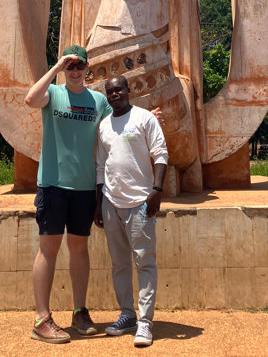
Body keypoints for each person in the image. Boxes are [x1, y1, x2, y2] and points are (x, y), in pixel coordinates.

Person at [26, 45, 162, 344]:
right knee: (48, 249)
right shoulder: (54, 93)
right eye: (70, 64)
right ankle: (41, 318)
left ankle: (79, 311)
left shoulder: (98, 100)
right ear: (64, 66)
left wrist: (145, 119)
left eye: (79, 65)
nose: (75, 70)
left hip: (85, 187)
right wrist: (55, 68)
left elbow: (118, 119)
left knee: (79, 249)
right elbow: (30, 99)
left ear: (87, 68)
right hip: (53, 183)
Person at [94, 75, 168, 348]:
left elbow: (160, 154)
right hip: (111, 202)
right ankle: (127, 314)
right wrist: (98, 203)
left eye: (118, 90)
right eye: (110, 92)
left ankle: (145, 322)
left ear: (128, 91)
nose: (115, 95)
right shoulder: (104, 126)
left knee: (144, 263)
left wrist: (157, 190)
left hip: (140, 202)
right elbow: (101, 167)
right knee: (119, 264)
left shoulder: (145, 119)